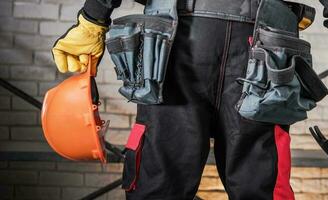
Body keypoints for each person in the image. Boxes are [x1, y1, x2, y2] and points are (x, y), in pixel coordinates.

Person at [52, 0, 328, 199]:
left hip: (177, 38)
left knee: (159, 184)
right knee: (261, 185)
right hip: (266, 44)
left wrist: (93, 18)